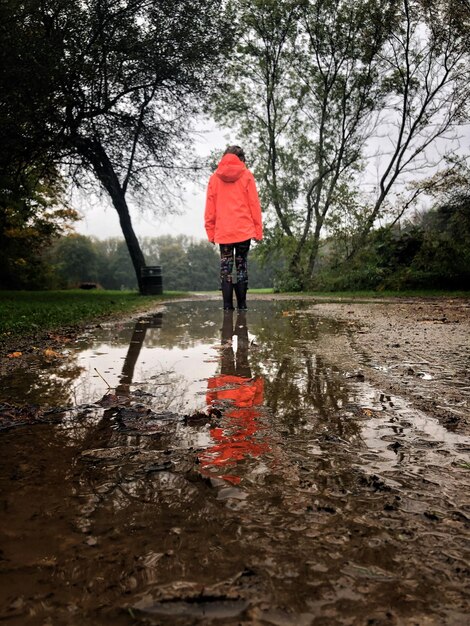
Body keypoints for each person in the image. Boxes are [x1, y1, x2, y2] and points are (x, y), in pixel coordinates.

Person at [204, 145, 263, 310]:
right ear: (241, 158)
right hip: (244, 230)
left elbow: (210, 207)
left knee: (226, 268)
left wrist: (210, 231)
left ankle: (227, 306)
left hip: (224, 232)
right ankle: (242, 305)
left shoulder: (214, 178)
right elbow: (254, 205)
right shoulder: (247, 175)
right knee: (242, 265)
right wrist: (258, 230)